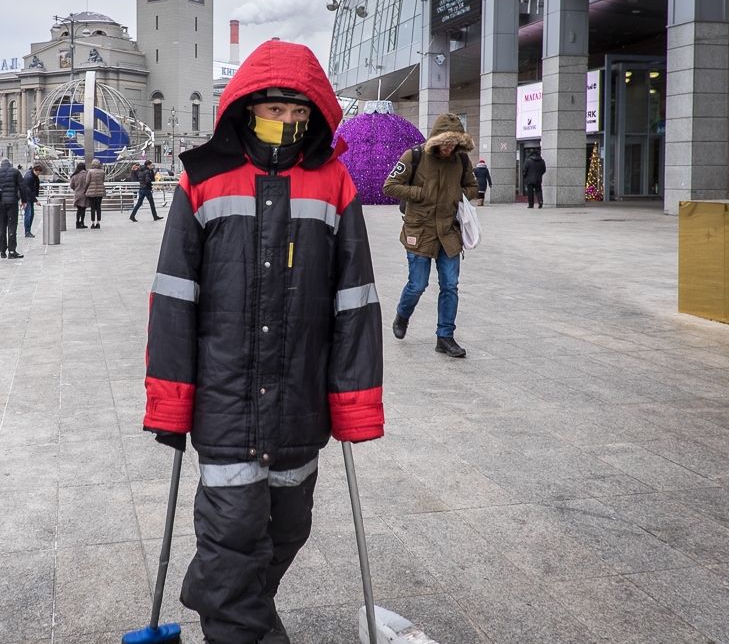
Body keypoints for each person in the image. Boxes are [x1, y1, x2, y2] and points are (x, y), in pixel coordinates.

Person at [142, 40, 384, 644]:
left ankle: (219, 591)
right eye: (277, 108)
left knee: (288, 530)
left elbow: (355, 301)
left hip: (300, 401)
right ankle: (231, 604)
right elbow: (174, 299)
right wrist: (170, 403)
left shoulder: (334, 183)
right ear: (248, 108)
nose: (289, 121)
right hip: (223, 403)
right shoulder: (202, 178)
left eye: (301, 111)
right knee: (230, 537)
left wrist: (353, 403)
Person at [383, 113, 478, 358]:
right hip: (420, 231)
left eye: (454, 142)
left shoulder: (462, 160)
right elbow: (390, 185)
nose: (449, 147)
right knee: (418, 284)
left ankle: (445, 337)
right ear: (436, 139)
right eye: (445, 141)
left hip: (449, 232)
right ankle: (402, 315)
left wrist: (456, 194)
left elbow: (473, 188)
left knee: (450, 286)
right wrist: (422, 192)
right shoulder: (413, 156)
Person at [0, 158, 25, 259]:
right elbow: (22, 187)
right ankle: (12, 251)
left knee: (1, 227)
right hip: (12, 202)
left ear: (1, 165)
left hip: (1, 203)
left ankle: (2, 251)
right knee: (12, 226)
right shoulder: (16, 172)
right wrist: (23, 201)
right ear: (9, 164)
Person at [21, 163, 43, 237]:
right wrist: (36, 200)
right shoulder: (29, 177)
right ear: (34, 170)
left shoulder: (32, 175)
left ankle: (28, 230)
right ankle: (27, 231)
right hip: (27, 197)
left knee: (31, 214)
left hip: (29, 197)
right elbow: (28, 190)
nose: (39, 174)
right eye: (38, 172)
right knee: (28, 214)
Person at [85, 158, 106, 229]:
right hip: (100, 191)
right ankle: (98, 222)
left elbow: (87, 182)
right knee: (98, 207)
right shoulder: (102, 172)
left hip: (91, 191)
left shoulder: (90, 172)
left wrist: (86, 189)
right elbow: (103, 180)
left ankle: (92, 223)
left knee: (93, 207)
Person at [70, 162, 89, 228]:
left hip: (77, 194)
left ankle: (77, 222)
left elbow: (71, 185)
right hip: (84, 194)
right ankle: (82, 223)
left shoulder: (74, 175)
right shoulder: (86, 175)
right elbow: (88, 183)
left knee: (78, 209)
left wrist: (76, 189)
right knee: (83, 209)